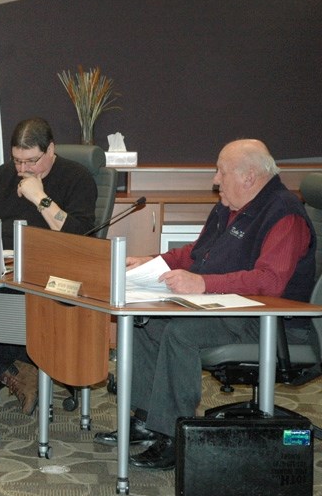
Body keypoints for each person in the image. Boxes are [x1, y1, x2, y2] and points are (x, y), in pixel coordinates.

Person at [93, 139, 316, 470]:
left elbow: (271, 282)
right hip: (230, 309)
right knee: (147, 321)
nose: (214, 180)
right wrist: (153, 262)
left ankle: (173, 435)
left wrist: (203, 283)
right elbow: (195, 253)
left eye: (221, 172)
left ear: (249, 176)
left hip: (273, 322)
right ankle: (145, 418)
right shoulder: (229, 207)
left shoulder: (285, 216)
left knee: (181, 333)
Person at [0, 117, 97, 414]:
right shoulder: (3, 176)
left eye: (31, 161)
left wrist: (42, 199)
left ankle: (1, 371)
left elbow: (80, 240)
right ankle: (15, 373)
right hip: (3, 268)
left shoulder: (78, 178)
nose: (23, 170)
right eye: (17, 161)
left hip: (49, 273)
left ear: (51, 150)